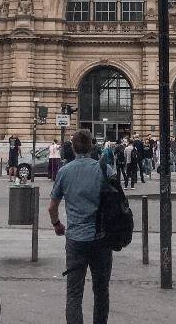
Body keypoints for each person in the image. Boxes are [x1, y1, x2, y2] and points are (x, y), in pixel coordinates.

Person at [48, 128, 114, 324]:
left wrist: (57, 224)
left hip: (76, 239)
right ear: (92, 146)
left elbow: (52, 207)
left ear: (73, 148)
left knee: (74, 294)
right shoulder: (105, 170)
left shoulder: (64, 171)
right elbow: (117, 203)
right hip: (101, 239)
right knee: (101, 291)